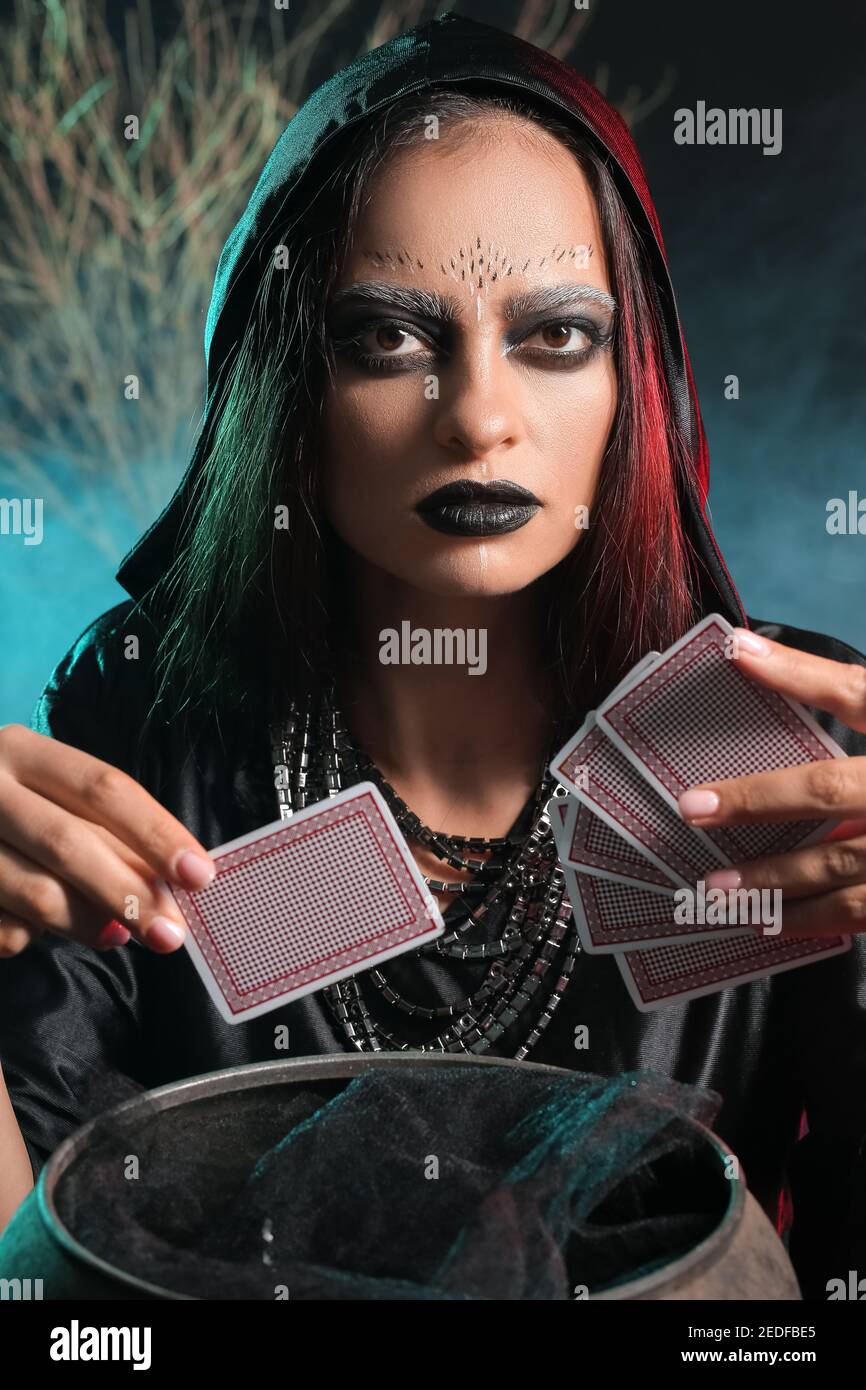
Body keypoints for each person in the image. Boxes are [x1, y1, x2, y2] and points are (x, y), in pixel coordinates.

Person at [0, 13, 864, 1297]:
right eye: (387, 339)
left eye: (554, 335)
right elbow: (43, 1289)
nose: (477, 416)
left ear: (633, 372)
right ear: (289, 376)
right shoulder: (149, 722)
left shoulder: (774, 751)